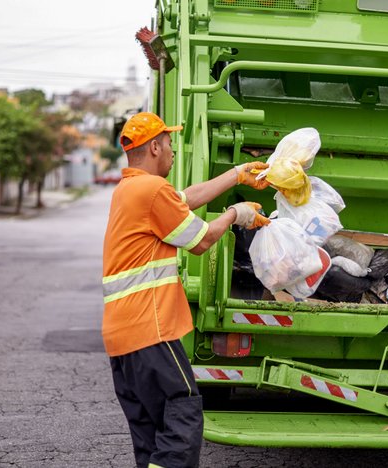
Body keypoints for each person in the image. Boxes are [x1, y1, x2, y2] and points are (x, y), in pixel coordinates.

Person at [102, 112, 270, 468]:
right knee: (183, 413)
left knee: (153, 432)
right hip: (151, 328)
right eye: (169, 143)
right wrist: (234, 215)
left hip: (124, 338)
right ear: (154, 147)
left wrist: (236, 174)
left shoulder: (130, 190)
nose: (173, 150)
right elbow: (201, 240)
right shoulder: (151, 190)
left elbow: (185, 199)